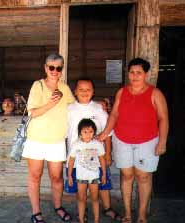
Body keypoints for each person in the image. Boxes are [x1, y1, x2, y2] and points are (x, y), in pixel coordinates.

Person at [97, 58, 169, 223]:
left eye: (139, 72)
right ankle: (128, 213)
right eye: (132, 72)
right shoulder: (122, 92)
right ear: (127, 73)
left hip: (147, 141)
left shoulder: (155, 93)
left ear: (146, 74)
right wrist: (106, 132)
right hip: (122, 139)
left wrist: (162, 142)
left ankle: (142, 214)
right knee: (127, 174)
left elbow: (164, 118)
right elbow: (114, 114)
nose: (135, 76)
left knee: (143, 176)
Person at [22, 53, 75, 223]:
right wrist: (52, 102)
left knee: (57, 177)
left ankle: (58, 206)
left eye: (58, 68)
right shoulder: (38, 86)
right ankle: (36, 213)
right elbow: (33, 113)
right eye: (51, 67)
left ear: (62, 69)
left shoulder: (65, 88)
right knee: (35, 176)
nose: (54, 70)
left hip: (57, 141)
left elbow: (74, 109)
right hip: (36, 140)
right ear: (45, 68)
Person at [65, 78, 121, 221]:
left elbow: (107, 132)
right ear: (75, 92)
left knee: (103, 184)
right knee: (80, 187)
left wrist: (108, 153)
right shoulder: (69, 109)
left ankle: (107, 208)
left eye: (88, 89)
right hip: (77, 158)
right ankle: (82, 211)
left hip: (97, 158)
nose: (85, 92)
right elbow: (65, 133)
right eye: (81, 89)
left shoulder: (98, 108)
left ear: (93, 92)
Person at [68, 119, 107, 223]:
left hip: (94, 177)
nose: (88, 134)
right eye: (85, 132)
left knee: (95, 198)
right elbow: (71, 160)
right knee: (81, 198)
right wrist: (70, 175)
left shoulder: (97, 144)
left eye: (91, 131)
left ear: (94, 132)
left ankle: (96, 220)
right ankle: (81, 219)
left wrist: (104, 174)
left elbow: (102, 159)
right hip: (81, 177)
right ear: (80, 132)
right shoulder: (76, 145)